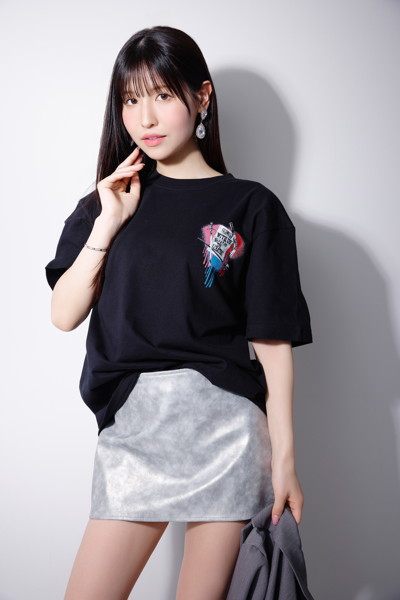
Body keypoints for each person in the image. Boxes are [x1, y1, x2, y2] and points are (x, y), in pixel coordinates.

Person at [45, 25, 313, 600]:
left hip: (227, 434)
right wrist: (108, 224)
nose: (145, 117)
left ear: (202, 97)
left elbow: (272, 343)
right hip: (133, 430)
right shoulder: (106, 202)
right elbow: (63, 315)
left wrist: (286, 460)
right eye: (130, 100)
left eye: (163, 95)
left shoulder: (252, 206)